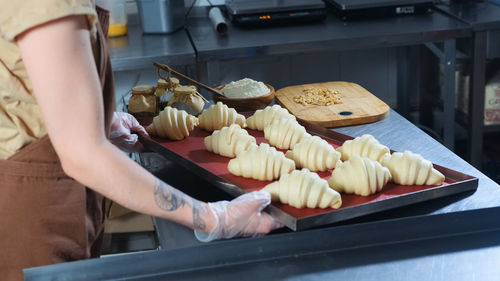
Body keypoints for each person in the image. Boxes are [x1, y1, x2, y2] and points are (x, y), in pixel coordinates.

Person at [0, 1, 281, 280]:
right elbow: (82, 155)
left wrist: (91, 121)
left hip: (63, 193)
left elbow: (29, 80)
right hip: (32, 208)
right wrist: (212, 218)